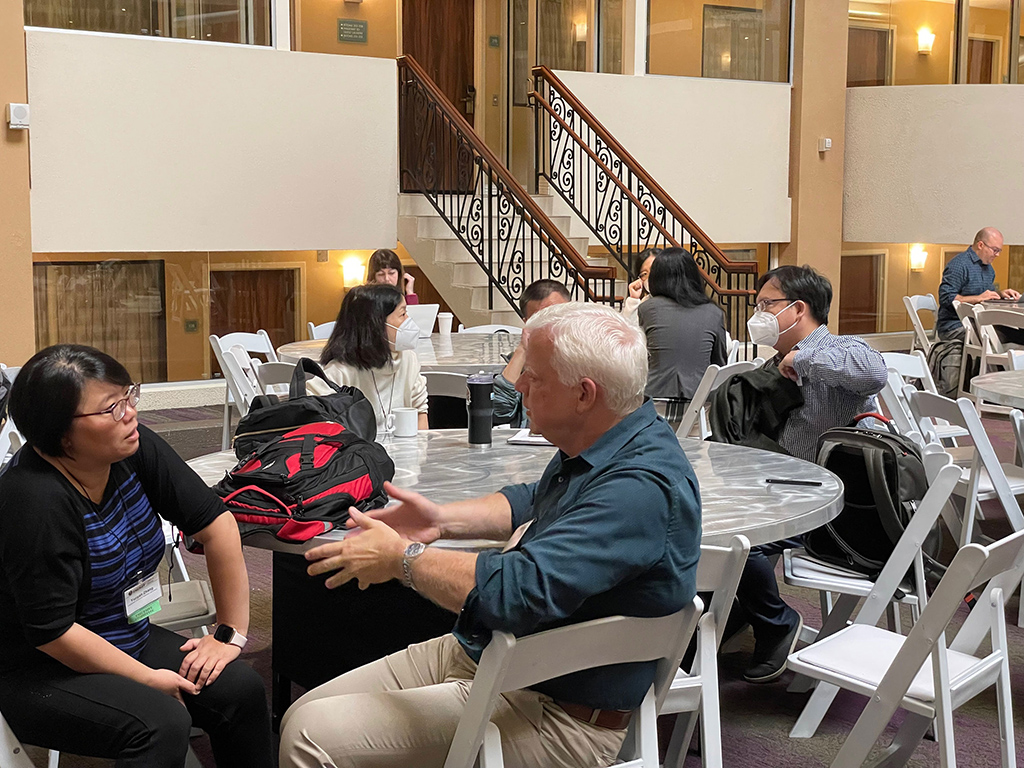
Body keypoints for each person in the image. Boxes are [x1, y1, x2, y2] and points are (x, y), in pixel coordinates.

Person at [278, 302, 702, 768]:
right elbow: (530, 500)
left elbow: (515, 590)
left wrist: (404, 558)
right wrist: (441, 519)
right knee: (301, 713)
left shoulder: (638, 489)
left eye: (535, 378)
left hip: (556, 714)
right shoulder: (613, 437)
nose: (519, 386)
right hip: (502, 657)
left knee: (308, 736)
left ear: (584, 394)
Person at [0, 345, 273, 768]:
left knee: (238, 688)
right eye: (112, 407)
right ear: (61, 434)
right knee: (159, 724)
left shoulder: (131, 448)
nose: (130, 414)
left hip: (124, 635)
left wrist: (229, 634)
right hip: (34, 668)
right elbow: (52, 632)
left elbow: (217, 525)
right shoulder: (33, 501)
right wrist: (148, 679)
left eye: (129, 397)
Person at [730, 265, 887, 683]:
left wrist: (805, 357)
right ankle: (733, 610)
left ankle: (775, 622)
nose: (759, 313)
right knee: (707, 519)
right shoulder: (776, 362)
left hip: (836, 509)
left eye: (767, 305)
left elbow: (875, 371)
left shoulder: (836, 350)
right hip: (791, 489)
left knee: (737, 541)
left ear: (797, 310)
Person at [318, 284, 429, 432]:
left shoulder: (408, 359)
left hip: (406, 451)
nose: (409, 321)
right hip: (358, 453)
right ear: (376, 323)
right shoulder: (339, 372)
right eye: (403, 314)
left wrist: (419, 452)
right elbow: (316, 421)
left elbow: (421, 412)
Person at [639, 247, 727, 425]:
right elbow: (719, 364)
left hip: (653, 407)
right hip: (699, 410)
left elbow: (637, 360)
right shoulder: (714, 312)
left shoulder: (647, 309)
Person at [492, 279, 571, 427]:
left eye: (558, 315)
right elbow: (499, 411)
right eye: (541, 319)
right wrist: (522, 349)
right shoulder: (522, 364)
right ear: (527, 322)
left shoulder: (589, 358)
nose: (551, 325)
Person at [936, 227, 1021, 342]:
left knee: (1018, 333)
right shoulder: (959, 265)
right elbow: (946, 298)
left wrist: (1000, 294)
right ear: (980, 245)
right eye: (995, 250)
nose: (997, 255)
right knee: (1008, 336)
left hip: (978, 322)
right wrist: (978, 298)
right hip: (954, 326)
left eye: (999, 251)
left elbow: (986, 296)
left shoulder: (988, 269)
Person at [620, 248, 661, 322]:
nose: (650, 277)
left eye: (654, 270)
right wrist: (633, 299)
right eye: (644, 274)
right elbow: (628, 328)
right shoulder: (645, 303)